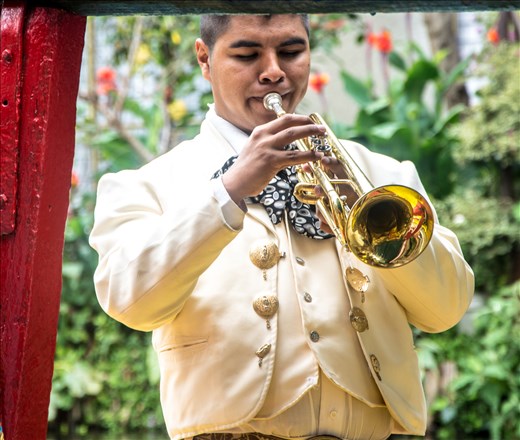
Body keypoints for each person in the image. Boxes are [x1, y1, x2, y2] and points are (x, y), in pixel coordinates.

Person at [89, 14, 474, 440]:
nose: (274, 71)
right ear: (204, 58)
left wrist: (365, 215)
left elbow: (446, 309)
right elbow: (128, 301)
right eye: (247, 53)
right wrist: (229, 191)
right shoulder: (145, 184)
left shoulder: (383, 173)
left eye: (291, 52)